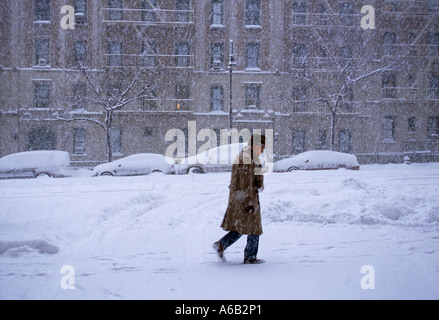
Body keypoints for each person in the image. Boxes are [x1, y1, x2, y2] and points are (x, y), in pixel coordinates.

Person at [213, 134, 265, 264]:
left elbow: (256, 178)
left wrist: (260, 183)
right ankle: (250, 257)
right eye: (262, 147)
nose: (263, 150)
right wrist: (249, 203)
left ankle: (221, 244)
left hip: (241, 198)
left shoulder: (251, 158)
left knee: (241, 226)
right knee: (253, 228)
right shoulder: (246, 159)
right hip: (246, 199)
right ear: (255, 146)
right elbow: (246, 184)